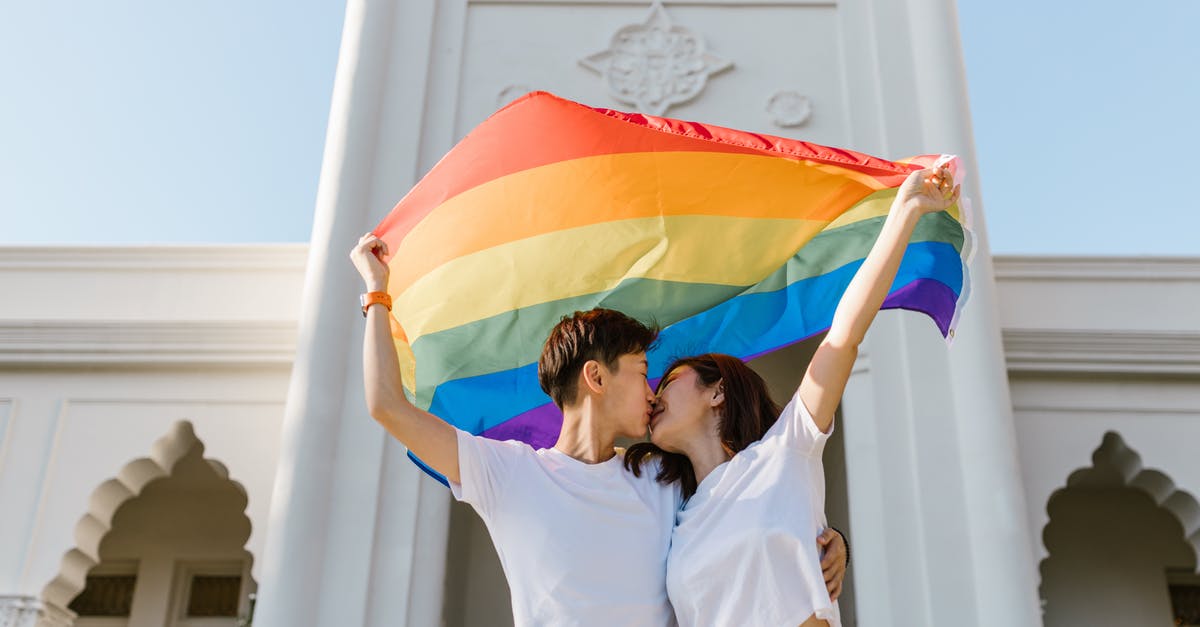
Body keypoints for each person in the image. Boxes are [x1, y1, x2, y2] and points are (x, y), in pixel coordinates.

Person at [350, 241, 849, 625]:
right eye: (641, 371)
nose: (653, 392)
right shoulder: (505, 473)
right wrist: (376, 293)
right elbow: (386, 405)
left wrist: (828, 540)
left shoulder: (662, 477)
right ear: (596, 377)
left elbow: (753, 507)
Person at [626, 165, 960, 626]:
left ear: (717, 392)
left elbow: (843, 337)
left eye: (669, 382)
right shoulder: (672, 519)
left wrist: (905, 212)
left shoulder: (785, 452)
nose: (655, 395)